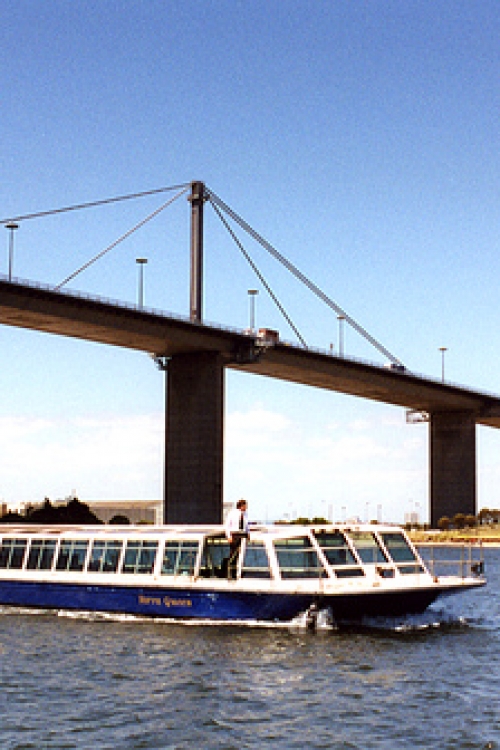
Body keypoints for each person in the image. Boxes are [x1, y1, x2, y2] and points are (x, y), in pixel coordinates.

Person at [224, 499, 249, 578]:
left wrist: (248, 534)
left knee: (240, 554)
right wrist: (228, 536)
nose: (246, 507)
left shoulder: (245, 514)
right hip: (235, 534)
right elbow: (227, 525)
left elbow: (246, 525)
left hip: (243, 534)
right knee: (234, 554)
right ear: (241, 506)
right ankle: (230, 571)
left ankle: (238, 571)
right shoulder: (232, 513)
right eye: (245, 506)